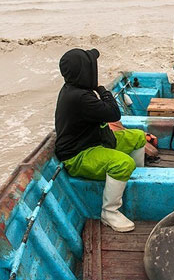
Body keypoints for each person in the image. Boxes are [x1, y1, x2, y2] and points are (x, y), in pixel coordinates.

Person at [54, 48, 146, 232]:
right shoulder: (79, 97)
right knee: (122, 163)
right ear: (85, 71)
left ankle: (134, 178)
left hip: (95, 140)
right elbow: (113, 113)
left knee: (138, 137)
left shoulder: (77, 89)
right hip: (78, 155)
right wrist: (102, 90)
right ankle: (109, 212)